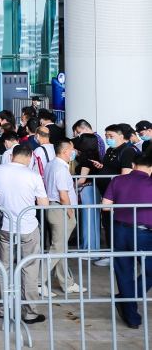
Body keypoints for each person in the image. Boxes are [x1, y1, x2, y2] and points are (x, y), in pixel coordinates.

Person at [0, 145, 49, 324]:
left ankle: (1, 308)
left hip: (4, 227)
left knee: (2, 267)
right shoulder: (33, 176)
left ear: (11, 156)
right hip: (27, 227)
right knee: (29, 268)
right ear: (29, 158)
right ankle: (29, 313)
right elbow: (43, 204)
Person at [102, 152, 152, 329]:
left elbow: (105, 206)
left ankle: (132, 318)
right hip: (144, 232)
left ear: (132, 164)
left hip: (120, 230)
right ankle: (126, 299)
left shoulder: (118, 180)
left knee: (123, 272)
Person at [43, 139, 85, 295]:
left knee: (60, 248)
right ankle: (38, 282)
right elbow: (63, 195)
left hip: (56, 208)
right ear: (66, 151)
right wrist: (70, 212)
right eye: (72, 150)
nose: (74, 153)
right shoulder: (61, 169)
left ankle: (67, 282)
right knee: (57, 249)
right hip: (61, 209)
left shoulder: (51, 164)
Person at [75, 133, 105, 263]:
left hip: (87, 190)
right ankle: (89, 249)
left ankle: (90, 251)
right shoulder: (95, 158)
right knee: (92, 220)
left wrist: (70, 186)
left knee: (88, 221)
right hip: (93, 190)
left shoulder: (86, 160)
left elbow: (82, 179)